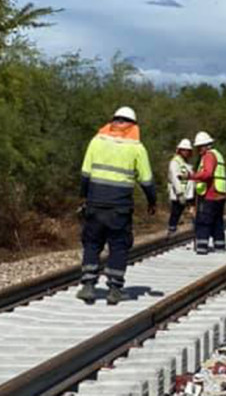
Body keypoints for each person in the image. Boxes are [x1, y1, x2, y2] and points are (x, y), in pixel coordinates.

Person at [76, 106, 156, 305]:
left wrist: (84, 198)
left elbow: (85, 174)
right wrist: (152, 201)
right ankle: (114, 289)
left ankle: (88, 286)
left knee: (92, 242)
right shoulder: (137, 148)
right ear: (133, 125)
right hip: (119, 206)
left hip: (95, 202)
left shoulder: (96, 141)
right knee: (119, 245)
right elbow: (146, 180)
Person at [186, 131, 226, 254]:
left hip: (211, 194)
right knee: (217, 221)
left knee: (204, 220)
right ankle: (220, 245)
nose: (198, 150)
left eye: (199, 147)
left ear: (205, 146)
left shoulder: (208, 156)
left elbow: (208, 173)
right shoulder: (217, 154)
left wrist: (192, 176)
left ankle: (202, 246)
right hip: (220, 194)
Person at [167, 138, 196, 237]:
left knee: (192, 212)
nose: (186, 152)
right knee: (176, 213)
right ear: (179, 150)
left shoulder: (187, 163)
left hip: (189, 194)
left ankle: (196, 230)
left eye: (188, 150)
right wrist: (180, 193)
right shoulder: (175, 162)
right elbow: (175, 179)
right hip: (179, 194)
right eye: (184, 150)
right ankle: (171, 231)